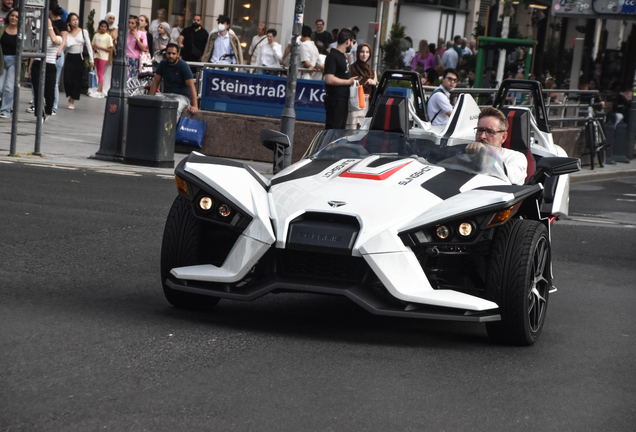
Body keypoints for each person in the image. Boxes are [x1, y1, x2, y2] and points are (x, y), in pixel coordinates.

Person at [465, 107, 527, 185]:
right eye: (480, 130)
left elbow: (511, 177)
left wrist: (486, 153)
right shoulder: (466, 154)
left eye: (490, 132)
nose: (482, 136)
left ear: (503, 137)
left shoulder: (516, 157)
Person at [149, 43, 198, 119]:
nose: (171, 56)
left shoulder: (183, 65)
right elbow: (155, 82)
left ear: (178, 54)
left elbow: (191, 86)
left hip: (182, 96)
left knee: (175, 108)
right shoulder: (163, 63)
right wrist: (150, 98)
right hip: (166, 95)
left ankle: (170, 130)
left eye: (173, 53)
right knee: (152, 102)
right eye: (169, 53)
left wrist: (195, 105)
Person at [323, 28, 357, 130]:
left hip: (343, 99)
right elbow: (329, 79)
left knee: (339, 131)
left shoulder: (343, 56)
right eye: (352, 41)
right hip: (335, 100)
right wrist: (348, 81)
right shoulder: (332, 56)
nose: (352, 45)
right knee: (332, 131)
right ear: (348, 41)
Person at [29, 19, 61, 121]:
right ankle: (39, 114)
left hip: (50, 66)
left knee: (49, 91)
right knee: (37, 91)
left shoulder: (58, 38)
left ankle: (48, 110)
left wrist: (50, 26)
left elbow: (54, 40)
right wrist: (30, 68)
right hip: (37, 64)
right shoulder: (39, 38)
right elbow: (34, 53)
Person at [63, 13, 94, 110]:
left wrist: (91, 59)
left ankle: (72, 100)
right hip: (69, 57)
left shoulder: (83, 32)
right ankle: (69, 94)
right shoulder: (66, 33)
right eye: (73, 20)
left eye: (77, 19)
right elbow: (65, 46)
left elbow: (89, 46)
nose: (75, 22)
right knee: (67, 79)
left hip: (79, 57)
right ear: (69, 22)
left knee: (77, 80)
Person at [346, 43, 376, 129]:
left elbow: (376, 90)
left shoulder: (371, 71)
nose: (364, 54)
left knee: (362, 135)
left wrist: (373, 83)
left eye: (367, 52)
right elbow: (348, 86)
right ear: (358, 53)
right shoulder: (351, 69)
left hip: (365, 106)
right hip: (353, 105)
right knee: (349, 134)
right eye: (362, 52)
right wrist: (360, 95)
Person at [49, 1, 67, 116]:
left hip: (57, 54)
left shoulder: (61, 23)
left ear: (50, 11)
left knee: (54, 82)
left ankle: (54, 106)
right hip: (48, 53)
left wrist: (59, 49)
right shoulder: (48, 22)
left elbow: (64, 39)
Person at [0, 8, 17, 118]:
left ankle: (5, 110)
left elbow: (27, 49)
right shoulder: (2, 29)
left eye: (16, 16)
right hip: (1, 60)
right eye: (12, 15)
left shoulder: (21, 32)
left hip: (14, 62)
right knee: (0, 87)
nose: (14, 18)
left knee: (9, 87)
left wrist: (19, 61)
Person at [91, 20, 113, 98]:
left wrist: (100, 47)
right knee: (98, 73)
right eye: (102, 26)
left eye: (105, 27)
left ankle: (100, 90)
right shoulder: (96, 35)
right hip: (96, 55)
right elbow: (92, 45)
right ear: (99, 27)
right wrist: (95, 47)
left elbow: (110, 49)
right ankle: (97, 89)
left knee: (100, 73)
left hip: (103, 56)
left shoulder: (108, 36)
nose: (103, 28)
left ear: (107, 28)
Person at [125, 15, 147, 81]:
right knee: (127, 78)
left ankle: (133, 91)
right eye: (129, 22)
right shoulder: (126, 33)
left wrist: (136, 38)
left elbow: (144, 48)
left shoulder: (142, 34)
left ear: (136, 25)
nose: (130, 25)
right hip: (126, 57)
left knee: (134, 78)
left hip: (136, 59)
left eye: (132, 23)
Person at [102, 12, 118, 95]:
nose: (111, 20)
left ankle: (106, 89)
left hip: (111, 53)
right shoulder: (103, 28)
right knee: (100, 71)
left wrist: (114, 41)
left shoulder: (116, 30)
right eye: (110, 18)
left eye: (113, 18)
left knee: (108, 72)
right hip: (102, 52)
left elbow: (118, 41)